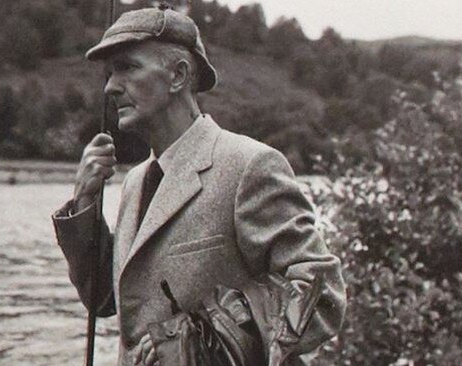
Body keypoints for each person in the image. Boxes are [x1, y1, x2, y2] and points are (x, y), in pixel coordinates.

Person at [52, 6, 346, 366]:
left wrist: (199, 340)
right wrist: (84, 204)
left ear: (178, 76)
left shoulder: (249, 165)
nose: (110, 87)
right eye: (110, 72)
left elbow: (322, 294)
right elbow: (105, 301)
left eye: (127, 67)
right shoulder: (135, 182)